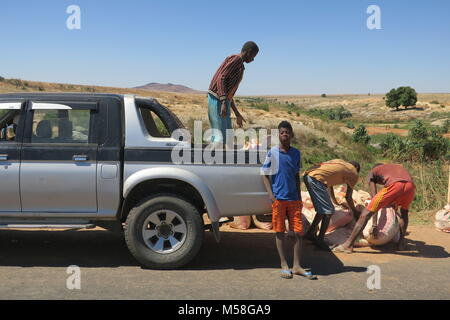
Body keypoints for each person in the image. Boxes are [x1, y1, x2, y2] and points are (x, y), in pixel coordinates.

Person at [261, 121, 317, 280]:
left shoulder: (296, 153)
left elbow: (295, 176)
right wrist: (271, 195)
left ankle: (297, 266)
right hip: (279, 199)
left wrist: (299, 196)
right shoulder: (272, 153)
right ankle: (284, 264)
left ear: (292, 135)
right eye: (282, 132)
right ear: (278, 135)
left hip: (294, 199)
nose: (285, 135)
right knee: (280, 232)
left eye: (287, 132)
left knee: (298, 233)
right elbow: (264, 174)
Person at [333, 163, 416, 253]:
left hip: (396, 185)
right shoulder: (392, 169)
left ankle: (348, 245)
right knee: (404, 213)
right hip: (410, 186)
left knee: (365, 214)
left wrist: (374, 225)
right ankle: (401, 244)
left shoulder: (372, 173)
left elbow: (374, 200)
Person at [207, 41, 259, 147]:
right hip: (217, 100)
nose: (253, 60)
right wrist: (222, 102)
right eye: (253, 56)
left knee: (227, 136)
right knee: (219, 137)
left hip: (222, 101)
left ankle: (223, 160)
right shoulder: (236, 60)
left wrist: (237, 114)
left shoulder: (240, 65)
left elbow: (229, 95)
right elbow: (221, 78)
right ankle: (213, 159)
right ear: (248, 52)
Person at [303, 159, 361, 251]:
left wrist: (335, 202)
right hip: (317, 180)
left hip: (308, 176)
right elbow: (348, 197)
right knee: (329, 211)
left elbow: (330, 185)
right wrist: (355, 211)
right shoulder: (353, 172)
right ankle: (320, 240)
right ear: (357, 168)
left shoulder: (340, 163)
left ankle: (310, 233)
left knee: (322, 210)